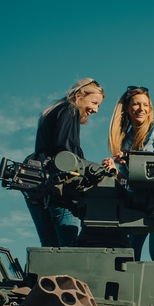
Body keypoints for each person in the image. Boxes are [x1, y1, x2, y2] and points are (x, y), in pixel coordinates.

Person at [102, 86, 154, 271]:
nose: (141, 108)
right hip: (137, 204)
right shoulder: (126, 140)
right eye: (136, 104)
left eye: (145, 104)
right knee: (130, 253)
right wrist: (115, 171)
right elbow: (127, 181)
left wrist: (131, 159)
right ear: (127, 108)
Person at [27, 78, 104, 247]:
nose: (96, 109)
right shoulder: (70, 110)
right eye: (94, 102)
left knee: (48, 247)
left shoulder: (52, 112)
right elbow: (67, 153)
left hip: (35, 188)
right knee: (68, 248)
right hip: (57, 192)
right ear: (79, 95)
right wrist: (99, 171)